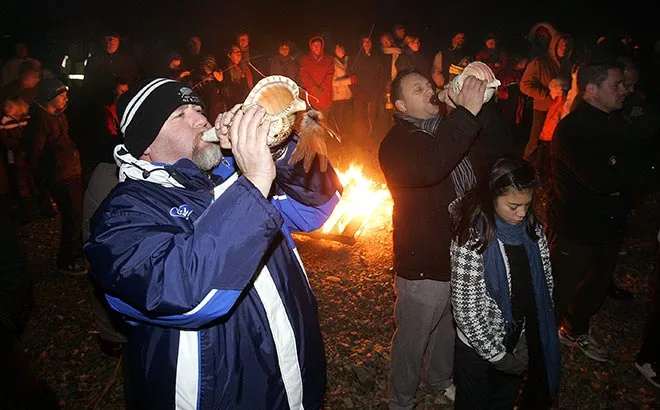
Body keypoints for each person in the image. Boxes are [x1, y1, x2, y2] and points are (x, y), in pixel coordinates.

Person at [84, 78, 343, 409]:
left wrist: (275, 150)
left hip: (295, 386)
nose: (200, 119)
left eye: (198, 109)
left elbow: (317, 208)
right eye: (179, 115)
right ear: (145, 146)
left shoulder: (229, 175)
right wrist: (253, 181)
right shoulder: (121, 216)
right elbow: (186, 296)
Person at [379, 68, 489, 409]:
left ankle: (440, 378)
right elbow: (430, 168)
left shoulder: (446, 130)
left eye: (429, 84)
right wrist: (465, 115)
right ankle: (402, 399)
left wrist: (475, 106)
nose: (429, 89)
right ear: (400, 104)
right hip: (423, 257)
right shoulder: (396, 143)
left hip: (460, 250)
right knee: (414, 335)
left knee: (448, 324)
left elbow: (492, 153)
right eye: (417, 88)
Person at [549, 59, 649, 362]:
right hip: (576, 228)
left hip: (610, 223)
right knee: (561, 287)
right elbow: (600, 179)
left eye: (625, 85)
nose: (624, 91)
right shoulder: (573, 129)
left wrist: (623, 175)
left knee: (597, 283)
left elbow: (642, 169)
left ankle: (575, 328)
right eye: (616, 85)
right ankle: (541, 338)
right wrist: (620, 173)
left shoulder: (618, 123)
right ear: (591, 90)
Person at [450, 156, 560, 409]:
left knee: (504, 398)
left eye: (527, 205)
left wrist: (526, 337)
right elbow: (467, 309)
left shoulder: (532, 229)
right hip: (479, 347)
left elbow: (546, 283)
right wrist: (498, 356)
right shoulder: (472, 236)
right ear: (491, 197)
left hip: (519, 336)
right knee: (474, 402)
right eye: (513, 206)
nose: (521, 213)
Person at [23, 78, 86, 275]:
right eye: (62, 96)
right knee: (72, 218)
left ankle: (74, 252)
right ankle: (67, 260)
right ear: (50, 98)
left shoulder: (59, 116)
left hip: (70, 172)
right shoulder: (40, 122)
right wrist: (43, 188)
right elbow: (34, 155)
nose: (66, 100)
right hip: (60, 177)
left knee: (76, 216)